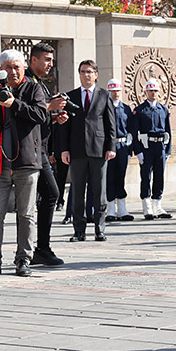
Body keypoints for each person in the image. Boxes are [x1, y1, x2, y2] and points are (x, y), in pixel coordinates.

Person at [0, 49, 49, 277]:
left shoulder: (33, 88)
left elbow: (41, 116)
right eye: (7, 67)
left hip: (26, 162)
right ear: (1, 70)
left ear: (24, 67)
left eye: (16, 67)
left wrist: (14, 104)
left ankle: (23, 259)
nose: (12, 72)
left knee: (26, 214)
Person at [57, 60, 117, 241]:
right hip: (76, 151)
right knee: (77, 193)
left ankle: (100, 229)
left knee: (100, 192)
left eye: (89, 72)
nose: (86, 75)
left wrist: (111, 147)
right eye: (83, 72)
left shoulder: (104, 95)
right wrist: (64, 149)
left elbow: (110, 124)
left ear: (96, 74)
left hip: (99, 150)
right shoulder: (71, 96)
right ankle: (79, 231)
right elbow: (64, 126)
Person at [25, 42, 67, 266]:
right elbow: (26, 113)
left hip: (40, 146)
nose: (51, 64)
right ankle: (38, 248)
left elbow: (38, 118)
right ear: (34, 60)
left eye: (52, 60)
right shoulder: (28, 83)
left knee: (49, 195)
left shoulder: (40, 83)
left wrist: (54, 118)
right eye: (47, 60)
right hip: (31, 150)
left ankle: (40, 247)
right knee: (50, 193)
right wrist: (50, 108)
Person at [133, 81, 172, 219]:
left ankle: (158, 205)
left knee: (159, 176)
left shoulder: (163, 109)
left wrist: (168, 150)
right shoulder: (140, 110)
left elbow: (168, 130)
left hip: (160, 146)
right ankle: (147, 206)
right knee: (146, 176)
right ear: (145, 92)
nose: (153, 93)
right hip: (146, 146)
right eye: (150, 91)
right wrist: (138, 152)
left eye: (155, 90)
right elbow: (133, 132)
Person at [105, 79, 136, 222]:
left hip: (123, 146)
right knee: (110, 177)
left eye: (117, 90)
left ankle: (122, 210)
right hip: (109, 147)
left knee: (121, 177)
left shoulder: (126, 108)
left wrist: (131, 150)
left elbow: (131, 129)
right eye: (112, 90)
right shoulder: (105, 107)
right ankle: (110, 209)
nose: (115, 93)